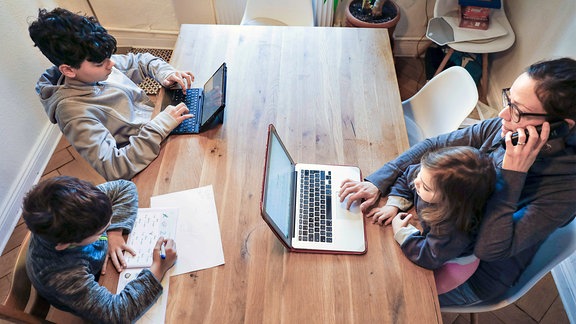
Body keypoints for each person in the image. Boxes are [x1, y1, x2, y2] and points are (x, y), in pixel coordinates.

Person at [339, 57, 576, 305]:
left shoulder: (565, 190)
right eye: (509, 100)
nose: (503, 114)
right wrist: (378, 182)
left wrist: (512, 177)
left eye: (518, 110)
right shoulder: (508, 127)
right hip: (442, 228)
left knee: (371, 294)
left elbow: (488, 249)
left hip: (470, 273)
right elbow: (436, 145)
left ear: (559, 127)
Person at [28, 7, 195, 180]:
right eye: (101, 63)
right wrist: (159, 126)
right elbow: (115, 168)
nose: (112, 65)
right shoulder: (73, 114)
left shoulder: (98, 66)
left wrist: (165, 73)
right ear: (68, 70)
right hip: (146, 157)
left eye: (110, 56)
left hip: (161, 125)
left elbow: (141, 61)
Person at [22, 176, 177, 322]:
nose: (107, 226)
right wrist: (158, 268)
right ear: (65, 244)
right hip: (89, 292)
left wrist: (114, 233)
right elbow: (118, 315)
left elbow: (125, 188)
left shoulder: (82, 203)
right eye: (100, 231)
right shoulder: (62, 275)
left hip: (99, 268)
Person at [374, 146, 495, 294]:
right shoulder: (429, 176)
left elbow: (429, 257)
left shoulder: (453, 228)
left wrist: (402, 232)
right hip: (437, 243)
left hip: (455, 263)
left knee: (414, 293)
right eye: (420, 173)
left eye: (425, 186)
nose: (416, 182)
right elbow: (407, 176)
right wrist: (394, 204)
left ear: (449, 201)